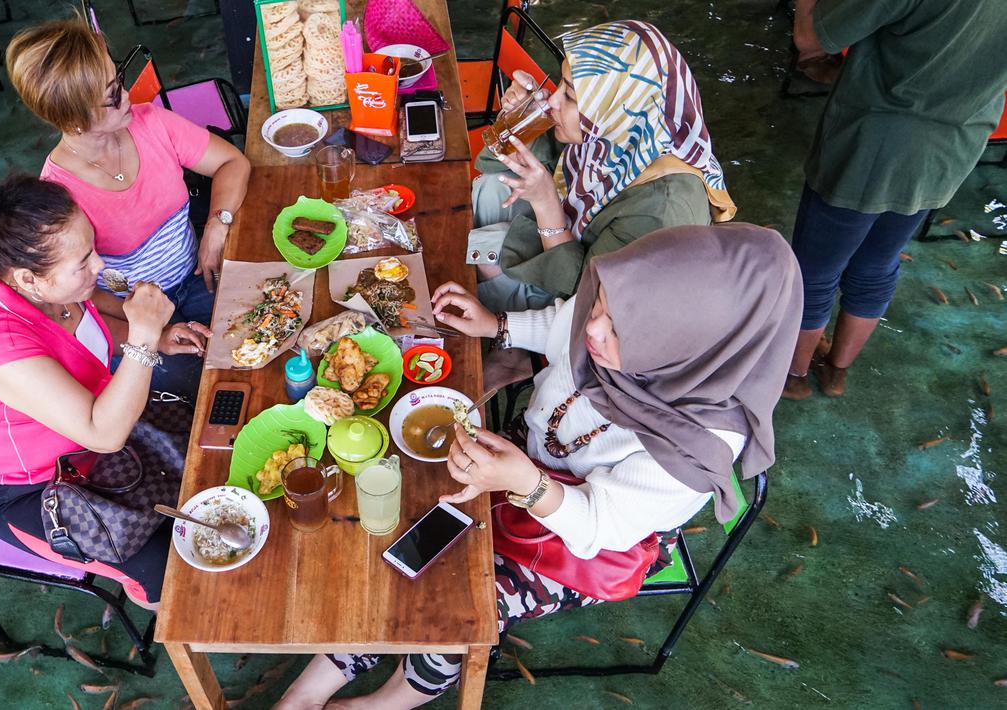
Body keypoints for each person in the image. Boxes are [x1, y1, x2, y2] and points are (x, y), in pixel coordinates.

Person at [276, 224, 802, 709]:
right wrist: (499, 325)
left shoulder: (699, 443)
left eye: (617, 329)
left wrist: (524, 482)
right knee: (406, 527)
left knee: (466, 604)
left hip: (587, 539)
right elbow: (566, 319)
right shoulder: (618, 310)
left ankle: (382, 703)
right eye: (602, 306)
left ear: (685, 348)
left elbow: (603, 525)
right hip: (528, 460)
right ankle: (312, 688)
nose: (593, 329)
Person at [0, 175, 211, 611]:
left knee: (210, 458)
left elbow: (84, 324)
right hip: (36, 490)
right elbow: (103, 433)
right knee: (167, 571)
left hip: (97, 446)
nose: (101, 266)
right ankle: (169, 615)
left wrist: (158, 338)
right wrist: (145, 337)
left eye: (92, 249)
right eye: (84, 262)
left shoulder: (49, 285)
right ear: (27, 279)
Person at [5, 19, 250, 396]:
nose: (127, 94)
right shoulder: (58, 196)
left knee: (254, 330)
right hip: (127, 313)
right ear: (73, 120)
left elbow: (232, 162)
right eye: (111, 94)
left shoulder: (151, 123)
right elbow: (75, 304)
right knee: (199, 385)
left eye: (118, 78)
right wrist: (154, 333)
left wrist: (217, 225)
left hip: (195, 275)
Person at [783, 0, 1007, 399]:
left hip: (873, 141)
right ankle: (836, 371)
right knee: (877, 264)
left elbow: (811, 37)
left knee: (815, 270)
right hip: (953, 146)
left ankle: (793, 376)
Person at [469, 20, 736, 313]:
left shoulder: (660, 210)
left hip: (592, 308)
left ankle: (510, 341)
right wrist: (520, 122)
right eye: (561, 84)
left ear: (615, 104)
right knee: (491, 188)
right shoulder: (620, 131)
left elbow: (592, 298)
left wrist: (546, 204)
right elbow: (500, 163)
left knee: (485, 252)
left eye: (569, 95)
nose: (553, 100)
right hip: (570, 242)